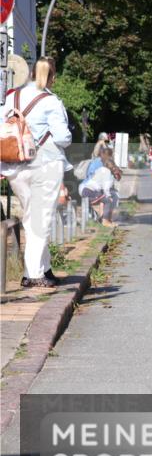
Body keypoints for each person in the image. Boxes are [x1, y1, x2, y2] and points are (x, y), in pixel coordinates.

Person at [1, 57, 73, 288]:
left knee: (33, 218)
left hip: (15, 165)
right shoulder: (52, 101)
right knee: (40, 220)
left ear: (31, 73)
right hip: (44, 165)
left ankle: (44, 268)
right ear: (52, 77)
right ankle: (33, 275)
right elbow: (63, 138)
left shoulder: (12, 96)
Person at [79, 147, 122, 227]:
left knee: (109, 197)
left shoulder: (104, 168)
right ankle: (105, 221)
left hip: (89, 190)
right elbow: (105, 188)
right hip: (88, 191)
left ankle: (105, 219)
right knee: (108, 200)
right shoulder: (105, 170)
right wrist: (108, 196)